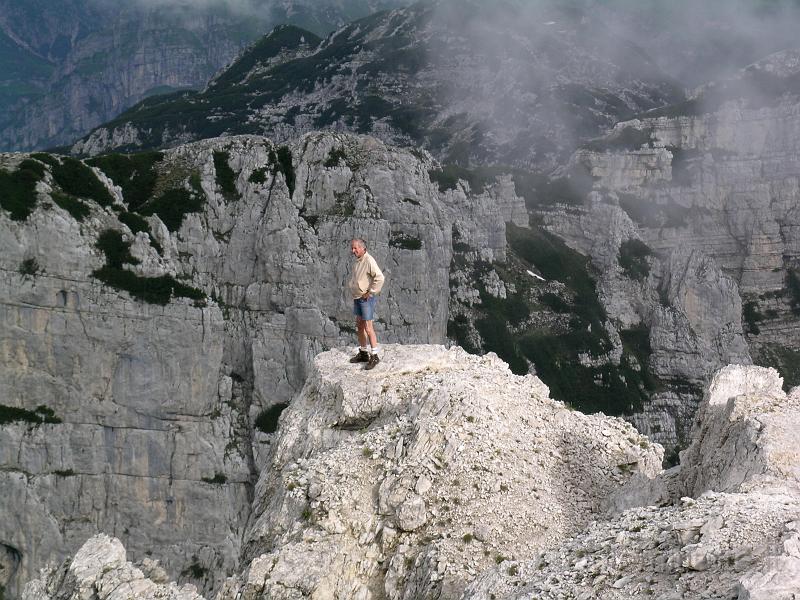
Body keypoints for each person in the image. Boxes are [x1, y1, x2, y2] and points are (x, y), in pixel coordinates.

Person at [348, 238, 385, 369]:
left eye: (355, 248)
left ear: (363, 248)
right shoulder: (359, 261)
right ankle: (364, 352)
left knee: (369, 327)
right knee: (359, 325)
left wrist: (371, 292)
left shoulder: (369, 260)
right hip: (358, 298)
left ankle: (374, 356)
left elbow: (380, 277)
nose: (353, 250)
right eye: (352, 248)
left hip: (365, 299)